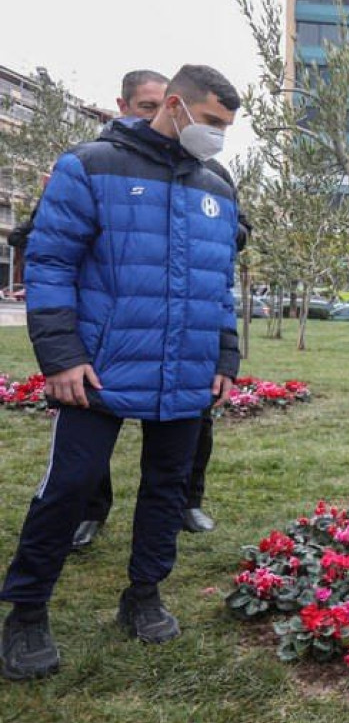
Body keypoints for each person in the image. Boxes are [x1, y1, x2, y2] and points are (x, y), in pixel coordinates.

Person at [0, 64, 242, 680]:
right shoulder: (89, 166)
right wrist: (61, 356)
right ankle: (27, 612)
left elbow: (220, 283)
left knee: (167, 488)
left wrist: (224, 356)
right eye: (211, 121)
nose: (218, 135)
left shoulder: (217, 186)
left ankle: (144, 595)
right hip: (99, 370)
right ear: (176, 106)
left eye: (226, 126)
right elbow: (50, 263)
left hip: (186, 369)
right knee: (70, 485)